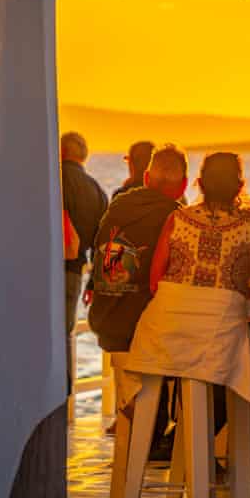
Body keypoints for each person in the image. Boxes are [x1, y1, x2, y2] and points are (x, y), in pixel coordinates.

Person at [124, 152, 250, 411]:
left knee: (191, 361)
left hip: (163, 336)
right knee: (225, 366)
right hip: (219, 339)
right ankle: (189, 440)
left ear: (200, 184)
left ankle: (176, 436)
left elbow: (154, 281)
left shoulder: (177, 219)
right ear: (240, 186)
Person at [88, 144, 187, 352]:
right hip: (147, 331)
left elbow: (99, 254)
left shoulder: (118, 206)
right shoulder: (179, 219)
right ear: (184, 185)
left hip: (108, 328)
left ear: (146, 178)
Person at [61, 131, 108, 393]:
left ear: (61, 153)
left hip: (50, 271)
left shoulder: (55, 183)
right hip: (75, 273)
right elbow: (104, 244)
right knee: (66, 333)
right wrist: (93, 282)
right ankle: (65, 391)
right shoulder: (97, 191)